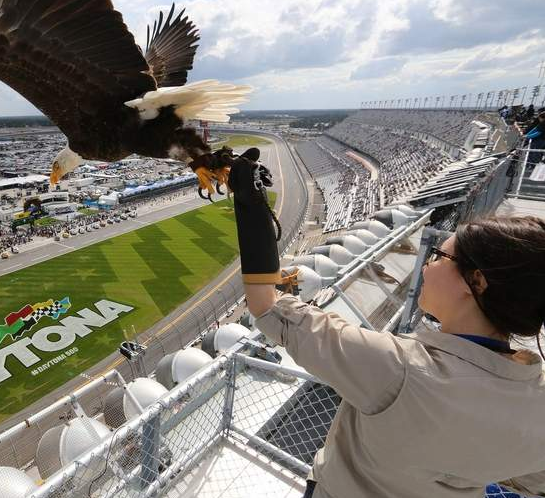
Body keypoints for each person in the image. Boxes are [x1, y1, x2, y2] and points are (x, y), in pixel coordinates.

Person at [228, 148, 545, 498]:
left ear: (477, 283)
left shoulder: (399, 369)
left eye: (441, 256)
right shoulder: (537, 402)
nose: (428, 264)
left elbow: (267, 306)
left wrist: (251, 208)